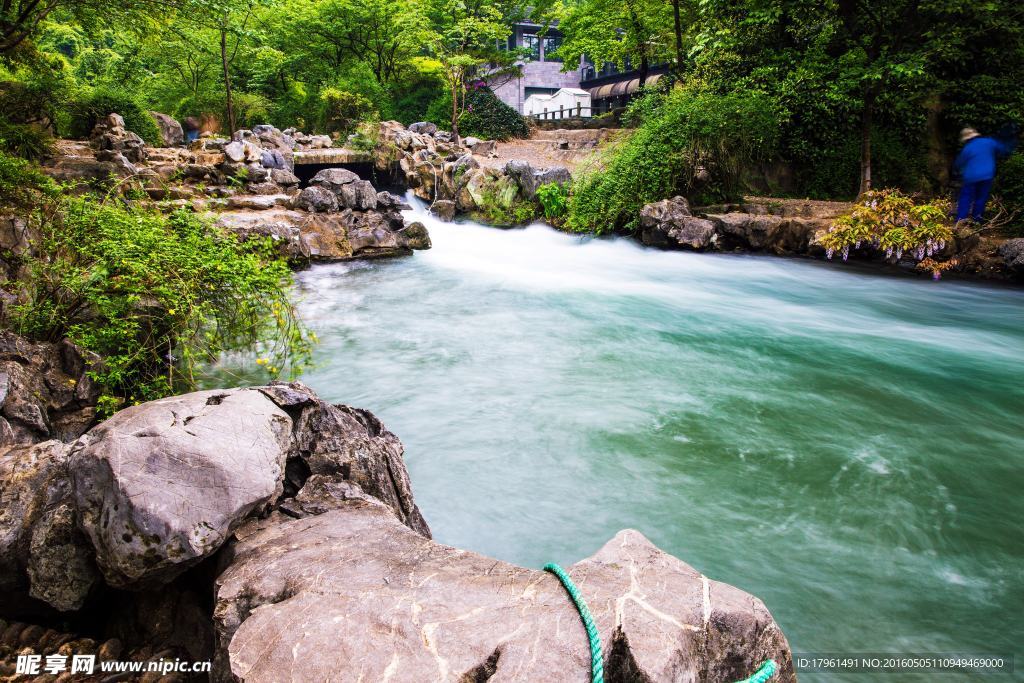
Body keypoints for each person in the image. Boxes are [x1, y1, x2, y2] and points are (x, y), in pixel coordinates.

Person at [954, 126, 1015, 222]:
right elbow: (1003, 150)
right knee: (981, 199)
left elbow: (959, 163)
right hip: (987, 176)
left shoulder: (967, 148)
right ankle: (977, 220)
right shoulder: (989, 142)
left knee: (966, 198)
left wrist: (959, 172)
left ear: (966, 139)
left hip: (971, 177)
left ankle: (960, 220)